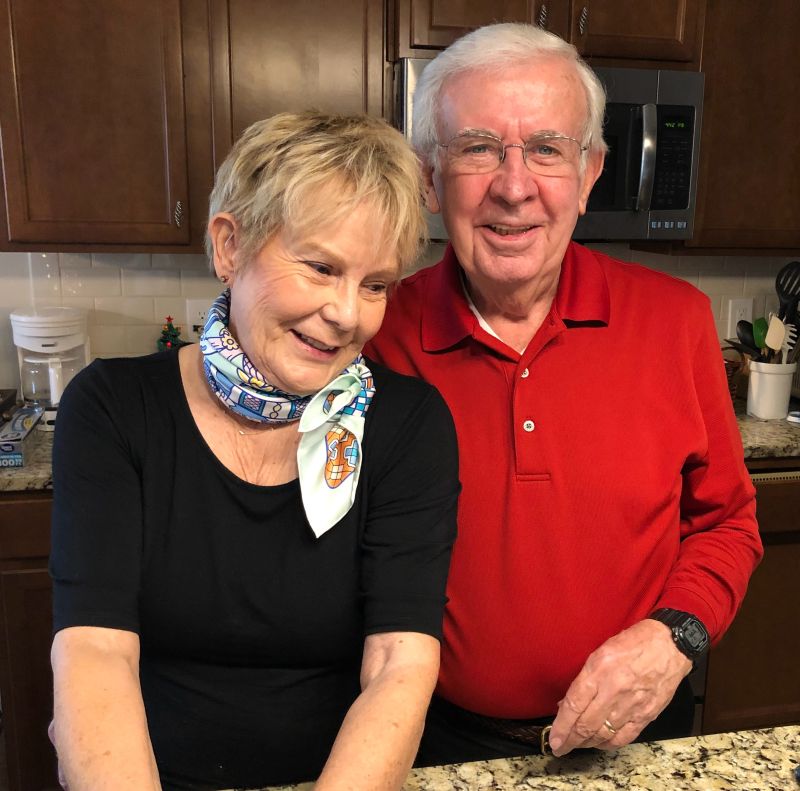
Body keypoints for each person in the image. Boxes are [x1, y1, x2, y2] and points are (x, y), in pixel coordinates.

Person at [365, 22, 762, 765]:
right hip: (431, 743)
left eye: (547, 149)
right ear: (427, 177)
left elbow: (728, 523)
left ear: (589, 173)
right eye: (479, 147)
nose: (514, 187)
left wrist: (672, 637)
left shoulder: (677, 320)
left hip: (636, 734)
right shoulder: (375, 331)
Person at [49, 112, 460, 791]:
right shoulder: (114, 409)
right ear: (230, 246)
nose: (348, 313)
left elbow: (398, 662)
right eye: (321, 267)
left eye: (376, 283)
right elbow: (95, 650)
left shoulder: (408, 426)